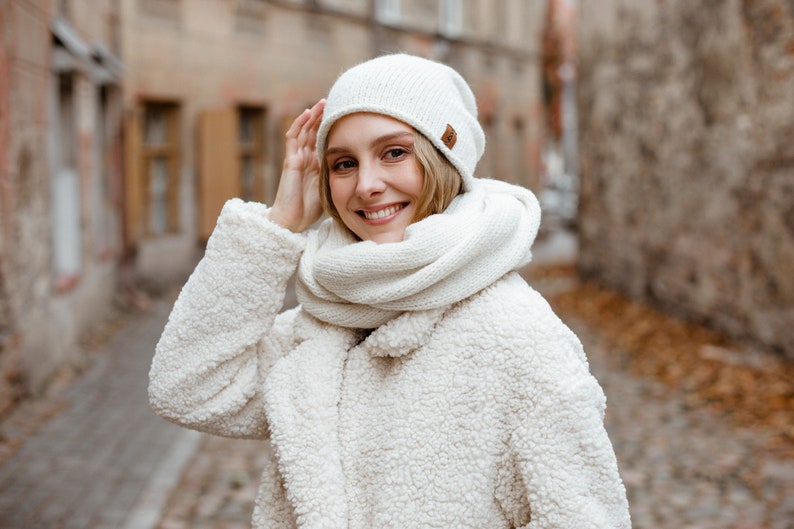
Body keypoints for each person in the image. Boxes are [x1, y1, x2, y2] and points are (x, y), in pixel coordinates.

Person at [149, 54, 631, 529]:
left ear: (444, 157)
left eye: (394, 153)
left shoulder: (519, 338)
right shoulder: (328, 322)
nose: (366, 185)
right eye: (342, 164)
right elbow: (187, 388)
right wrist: (280, 226)